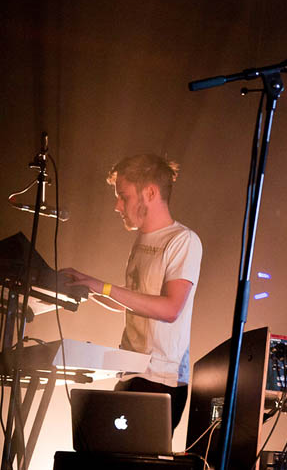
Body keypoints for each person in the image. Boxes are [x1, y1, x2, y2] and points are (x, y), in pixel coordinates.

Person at [61, 154, 202, 431]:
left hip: (160, 379)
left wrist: (103, 286)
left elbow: (170, 309)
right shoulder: (141, 240)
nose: (117, 206)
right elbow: (135, 303)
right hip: (130, 370)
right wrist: (86, 288)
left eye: (123, 196)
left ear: (150, 192)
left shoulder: (183, 240)